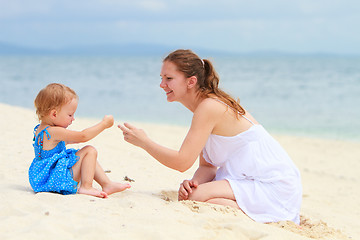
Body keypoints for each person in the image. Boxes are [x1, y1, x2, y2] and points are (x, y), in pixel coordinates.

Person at [118, 49, 302, 224]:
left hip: (272, 184)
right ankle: (259, 213)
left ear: (190, 81)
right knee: (194, 194)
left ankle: (268, 216)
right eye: (161, 78)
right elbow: (208, 166)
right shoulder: (203, 108)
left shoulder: (209, 107)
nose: (162, 84)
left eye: (169, 78)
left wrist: (145, 142)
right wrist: (194, 183)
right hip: (250, 179)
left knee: (196, 198)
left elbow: (182, 162)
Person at [29, 83, 130, 198]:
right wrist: (104, 124)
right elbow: (83, 136)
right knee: (89, 151)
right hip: (56, 178)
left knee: (83, 156)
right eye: (70, 115)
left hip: (46, 177)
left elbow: (71, 140)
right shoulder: (53, 131)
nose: (73, 119)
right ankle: (86, 187)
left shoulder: (41, 130)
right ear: (54, 114)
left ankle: (107, 184)